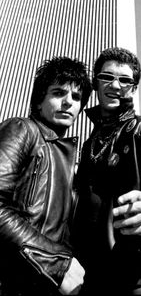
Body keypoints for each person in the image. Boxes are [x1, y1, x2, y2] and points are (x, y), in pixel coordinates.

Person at [73, 47, 141, 296]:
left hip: (134, 277)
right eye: (107, 77)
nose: (115, 85)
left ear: (133, 87)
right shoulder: (91, 139)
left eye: (125, 80)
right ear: (96, 83)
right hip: (91, 272)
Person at [0, 56, 92, 296]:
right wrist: (57, 263)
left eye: (76, 97)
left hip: (45, 285)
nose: (68, 102)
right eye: (58, 93)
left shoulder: (67, 157)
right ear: (39, 102)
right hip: (13, 281)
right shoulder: (22, 129)